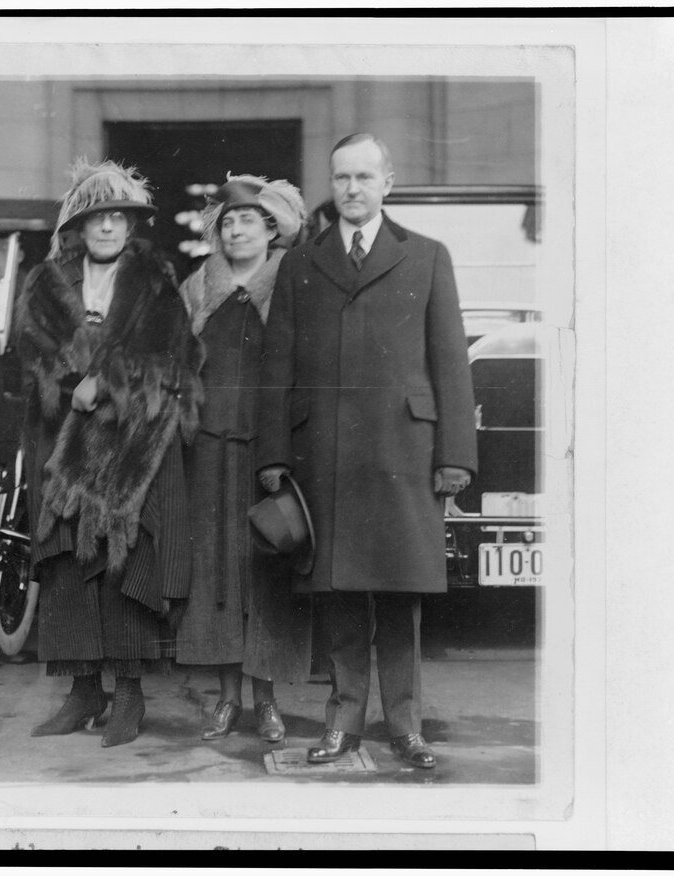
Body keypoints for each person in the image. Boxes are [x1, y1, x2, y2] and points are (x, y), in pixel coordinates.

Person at [256, 134, 478, 769]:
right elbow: (278, 366)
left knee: (401, 595)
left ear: (388, 182)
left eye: (364, 177)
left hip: (404, 452)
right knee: (341, 595)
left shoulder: (428, 256)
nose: (352, 189)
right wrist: (273, 453)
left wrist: (454, 455)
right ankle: (343, 723)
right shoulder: (302, 263)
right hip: (324, 454)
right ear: (331, 184)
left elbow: (450, 364)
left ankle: (405, 726)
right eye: (341, 178)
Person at [17, 158, 203, 748]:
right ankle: (81, 691)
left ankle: (127, 693)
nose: (107, 228)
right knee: (69, 565)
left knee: (125, 562)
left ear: (131, 226)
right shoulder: (45, 282)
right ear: (78, 225)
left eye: (118, 217)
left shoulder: (154, 281)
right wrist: (72, 384)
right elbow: (31, 351)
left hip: (132, 450)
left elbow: (175, 359)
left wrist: (111, 380)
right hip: (64, 442)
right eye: (97, 218)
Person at [174, 175, 312, 743]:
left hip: (269, 456)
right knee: (216, 576)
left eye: (247, 220)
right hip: (207, 454)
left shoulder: (292, 286)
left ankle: (268, 701)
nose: (235, 230)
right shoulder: (194, 289)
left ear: (272, 228)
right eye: (226, 222)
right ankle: (227, 699)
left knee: (267, 574)